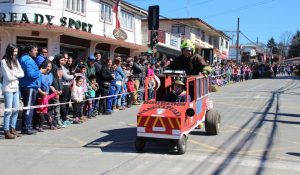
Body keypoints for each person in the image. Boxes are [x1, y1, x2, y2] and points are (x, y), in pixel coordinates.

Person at [0, 43, 24, 139]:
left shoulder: (16, 60)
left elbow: (22, 73)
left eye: (16, 52)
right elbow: (8, 77)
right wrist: (16, 73)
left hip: (16, 87)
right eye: (14, 51)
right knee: (8, 110)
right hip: (8, 88)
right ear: (10, 51)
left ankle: (13, 129)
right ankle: (6, 131)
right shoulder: (4, 61)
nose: (16, 53)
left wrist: (14, 73)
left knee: (16, 110)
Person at [19, 43, 41, 135]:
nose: (36, 52)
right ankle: (26, 127)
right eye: (35, 50)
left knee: (29, 107)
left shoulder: (27, 59)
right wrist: (40, 71)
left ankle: (27, 126)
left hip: (29, 86)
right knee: (28, 108)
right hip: (29, 86)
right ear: (30, 50)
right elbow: (31, 75)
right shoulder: (28, 60)